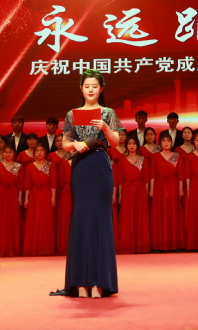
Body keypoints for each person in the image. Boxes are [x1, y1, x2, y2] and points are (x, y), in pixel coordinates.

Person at [60, 69, 122, 298]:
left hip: (99, 165)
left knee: (100, 220)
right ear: (81, 88)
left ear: (101, 89)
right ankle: (80, 282)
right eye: (87, 86)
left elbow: (115, 142)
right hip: (81, 167)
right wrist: (74, 145)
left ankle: (100, 282)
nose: (90, 89)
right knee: (82, 220)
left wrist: (105, 128)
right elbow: (64, 143)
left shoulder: (108, 113)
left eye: (95, 86)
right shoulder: (72, 114)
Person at [115, 135, 152, 254]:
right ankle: (127, 245)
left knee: (140, 216)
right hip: (127, 190)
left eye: (134, 144)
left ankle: (141, 245)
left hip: (140, 190)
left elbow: (146, 178)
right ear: (126, 146)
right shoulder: (122, 160)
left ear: (137, 146)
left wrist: (145, 192)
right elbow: (120, 179)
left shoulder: (143, 159)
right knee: (128, 217)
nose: (131, 146)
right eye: (129, 144)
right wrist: (120, 195)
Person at [149, 134, 185, 252]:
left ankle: (175, 244)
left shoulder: (177, 156)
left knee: (173, 213)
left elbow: (181, 174)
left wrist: (180, 189)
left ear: (171, 143)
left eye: (168, 141)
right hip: (159, 186)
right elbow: (153, 174)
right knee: (159, 213)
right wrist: (151, 189)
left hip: (173, 185)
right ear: (160, 143)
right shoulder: (155, 156)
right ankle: (158, 244)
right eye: (164, 141)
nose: (166, 143)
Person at [0, 146, 24, 257]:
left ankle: (12, 248)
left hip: (13, 194)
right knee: (1, 220)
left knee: (12, 220)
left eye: (10, 152)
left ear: (14, 154)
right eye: (6, 152)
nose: (8, 154)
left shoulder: (19, 166)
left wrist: (20, 197)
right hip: (1, 195)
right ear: (3, 154)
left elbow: (21, 184)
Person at [22, 145, 57, 256]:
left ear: (45, 152)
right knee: (34, 220)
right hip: (34, 195)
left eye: (42, 150)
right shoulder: (29, 166)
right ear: (34, 153)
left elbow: (53, 182)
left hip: (46, 194)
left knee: (45, 220)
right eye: (37, 150)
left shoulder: (51, 165)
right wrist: (26, 198)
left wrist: (53, 197)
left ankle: (45, 247)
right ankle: (33, 248)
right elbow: (27, 183)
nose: (39, 152)